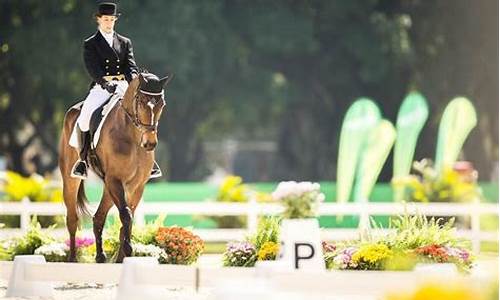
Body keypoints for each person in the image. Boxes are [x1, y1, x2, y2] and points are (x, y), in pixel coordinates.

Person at [71, 1, 161, 180]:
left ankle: (148, 159)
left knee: (144, 111)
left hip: (123, 86)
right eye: (105, 19)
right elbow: (92, 68)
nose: (109, 23)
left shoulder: (124, 42)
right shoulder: (91, 43)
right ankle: (82, 160)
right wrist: (104, 82)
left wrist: (134, 80)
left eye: (112, 19)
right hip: (101, 87)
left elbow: (130, 65)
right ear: (99, 20)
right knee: (85, 116)